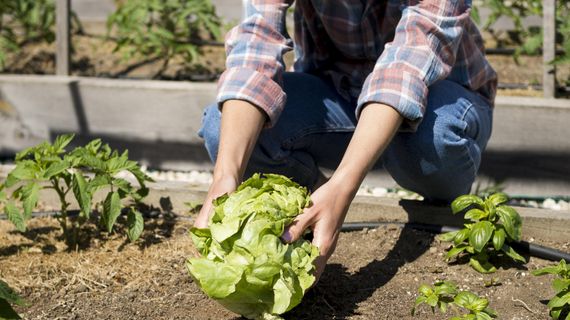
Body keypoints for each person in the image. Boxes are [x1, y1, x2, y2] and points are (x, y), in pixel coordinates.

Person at [194, 0, 497, 280]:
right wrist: (224, 177)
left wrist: (343, 185)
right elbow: (255, 44)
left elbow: (407, 67)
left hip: (440, 100)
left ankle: (437, 209)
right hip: (340, 94)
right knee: (222, 129)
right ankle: (312, 209)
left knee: (433, 134)